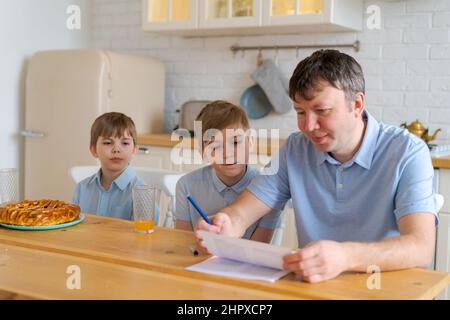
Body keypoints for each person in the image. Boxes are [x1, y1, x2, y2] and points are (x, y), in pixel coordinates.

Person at [195, 50, 438, 283]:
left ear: (356, 104)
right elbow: (242, 213)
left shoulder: (407, 152)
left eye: (322, 110)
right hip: (313, 287)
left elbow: (420, 246)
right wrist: (227, 222)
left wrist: (345, 257)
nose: (308, 126)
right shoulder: (294, 149)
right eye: (300, 112)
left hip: (383, 288)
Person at [175, 101, 283, 243]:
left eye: (236, 142)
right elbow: (184, 243)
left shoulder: (268, 188)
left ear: (250, 142)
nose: (228, 153)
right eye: (216, 146)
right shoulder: (186, 186)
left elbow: (258, 247)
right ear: (203, 152)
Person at [72, 112, 145, 220]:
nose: (116, 149)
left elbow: (144, 235)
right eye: (107, 143)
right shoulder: (82, 188)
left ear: (134, 150)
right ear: (93, 150)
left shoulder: (141, 193)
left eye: (125, 143)